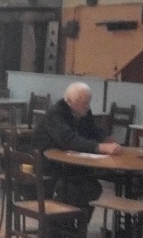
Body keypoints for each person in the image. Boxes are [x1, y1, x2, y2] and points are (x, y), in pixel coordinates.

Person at [32, 81, 122, 224]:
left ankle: (77, 227)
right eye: (85, 103)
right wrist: (99, 147)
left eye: (88, 102)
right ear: (71, 101)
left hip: (70, 165)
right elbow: (68, 140)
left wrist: (106, 138)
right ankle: (62, 225)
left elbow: (93, 130)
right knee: (79, 188)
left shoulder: (83, 112)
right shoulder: (56, 113)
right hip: (49, 167)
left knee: (92, 187)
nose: (88, 106)